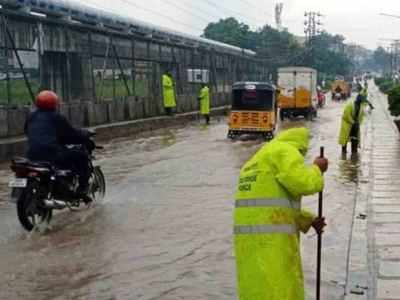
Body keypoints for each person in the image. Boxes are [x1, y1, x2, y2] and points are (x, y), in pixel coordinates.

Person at [234, 127, 328, 300]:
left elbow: (269, 207)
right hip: (272, 243)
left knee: (255, 289)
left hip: (247, 245)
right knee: (280, 290)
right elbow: (304, 183)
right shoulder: (285, 150)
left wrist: (309, 220)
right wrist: (316, 169)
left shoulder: (255, 161)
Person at [25, 90, 94, 203]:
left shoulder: (31, 117)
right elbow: (72, 133)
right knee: (81, 156)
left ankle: (61, 186)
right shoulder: (56, 117)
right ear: (54, 103)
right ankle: (82, 189)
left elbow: (28, 132)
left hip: (31, 155)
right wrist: (85, 133)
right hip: (52, 153)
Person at [338, 85, 368, 154]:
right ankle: (344, 152)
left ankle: (354, 152)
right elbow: (346, 115)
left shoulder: (361, 106)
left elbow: (361, 116)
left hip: (355, 124)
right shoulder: (350, 105)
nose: (361, 101)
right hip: (347, 124)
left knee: (355, 138)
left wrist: (358, 123)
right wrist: (353, 122)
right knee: (345, 139)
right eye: (360, 100)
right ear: (357, 99)